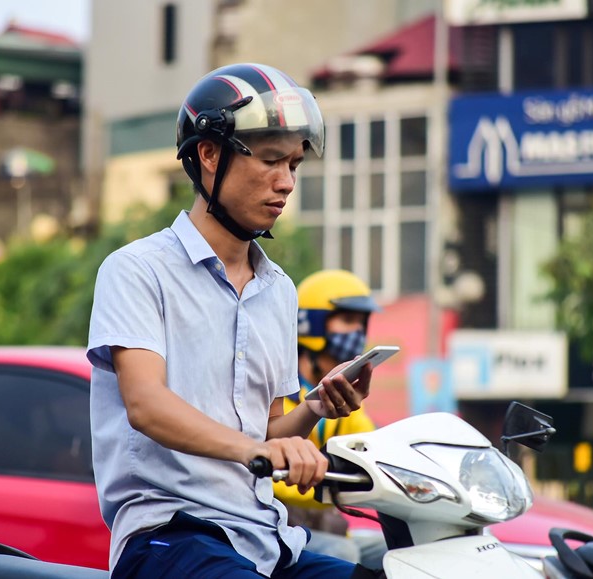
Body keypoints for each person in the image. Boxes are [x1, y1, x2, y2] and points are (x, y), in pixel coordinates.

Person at [86, 63, 376, 579]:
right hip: (167, 537)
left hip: (264, 537)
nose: (285, 183)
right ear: (209, 154)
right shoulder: (136, 271)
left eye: (294, 165)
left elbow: (266, 428)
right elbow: (145, 405)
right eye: (270, 161)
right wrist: (258, 450)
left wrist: (314, 406)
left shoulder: (279, 290)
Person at [273, 269, 388, 571]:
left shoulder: (345, 400)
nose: (358, 333)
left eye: (362, 323)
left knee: (407, 549)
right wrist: (319, 478)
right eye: (347, 320)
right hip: (277, 527)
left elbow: (372, 447)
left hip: (331, 527)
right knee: (342, 552)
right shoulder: (277, 396)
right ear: (311, 323)